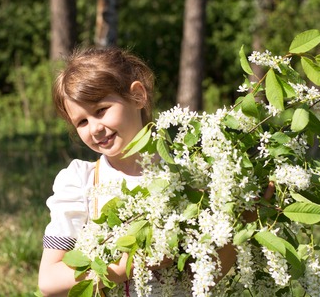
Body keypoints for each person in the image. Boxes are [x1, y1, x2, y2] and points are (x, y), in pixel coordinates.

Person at [38, 47, 236, 296]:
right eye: (82, 122)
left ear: (137, 96)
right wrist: (131, 264)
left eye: (101, 110)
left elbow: (207, 276)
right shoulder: (82, 182)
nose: (95, 128)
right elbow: (49, 280)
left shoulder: (189, 175)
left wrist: (244, 220)